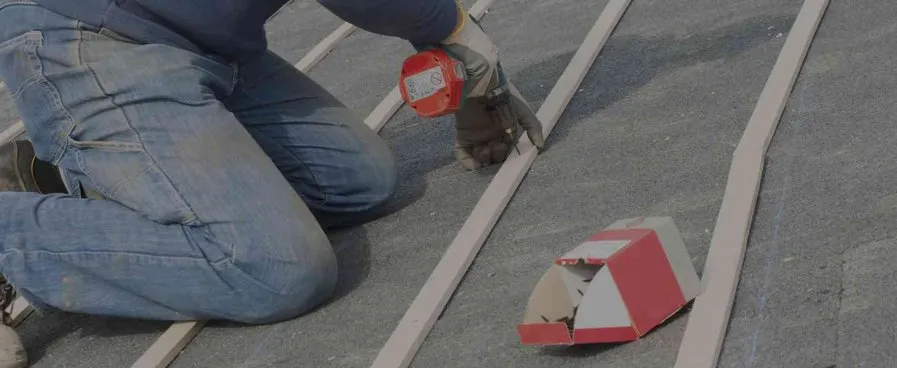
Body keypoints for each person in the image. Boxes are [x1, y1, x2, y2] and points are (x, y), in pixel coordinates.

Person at [0, 0, 545, 366]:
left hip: (202, 38)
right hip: (87, 35)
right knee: (270, 267)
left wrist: (469, 69)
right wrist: (459, 38)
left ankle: (79, 168)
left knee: (357, 180)